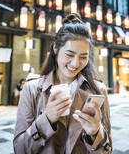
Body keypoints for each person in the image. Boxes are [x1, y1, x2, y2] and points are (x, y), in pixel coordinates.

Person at [13, 13, 112, 153]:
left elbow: (107, 151)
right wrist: (46, 119)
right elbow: (19, 149)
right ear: (55, 49)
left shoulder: (98, 90)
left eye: (83, 57)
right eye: (69, 54)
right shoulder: (32, 88)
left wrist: (95, 133)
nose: (75, 63)